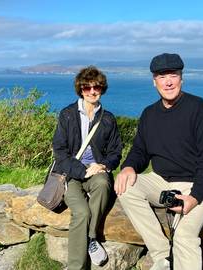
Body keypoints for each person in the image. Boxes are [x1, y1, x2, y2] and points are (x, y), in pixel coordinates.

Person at [115, 53, 203, 270]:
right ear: (153, 81)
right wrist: (128, 167)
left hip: (201, 183)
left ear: (181, 78)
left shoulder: (199, 108)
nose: (168, 81)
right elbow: (140, 150)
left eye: (173, 75)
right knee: (125, 187)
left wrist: (194, 198)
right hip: (162, 181)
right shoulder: (149, 114)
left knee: (185, 235)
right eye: (161, 76)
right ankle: (163, 256)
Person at [52, 66, 122, 269]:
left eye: (97, 87)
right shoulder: (67, 115)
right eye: (87, 87)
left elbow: (116, 151)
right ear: (80, 89)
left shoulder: (108, 119)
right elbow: (60, 151)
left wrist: (104, 165)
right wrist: (82, 171)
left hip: (97, 170)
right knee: (81, 213)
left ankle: (91, 238)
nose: (92, 91)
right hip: (71, 174)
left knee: (102, 183)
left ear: (102, 89)